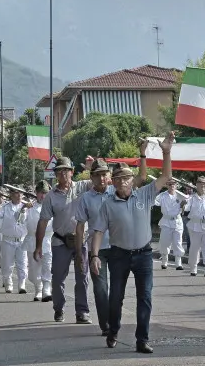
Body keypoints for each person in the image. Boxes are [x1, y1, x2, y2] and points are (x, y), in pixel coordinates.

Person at [89, 132, 175, 353]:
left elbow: (165, 177)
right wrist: (95, 255)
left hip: (144, 255)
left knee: (144, 297)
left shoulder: (144, 195)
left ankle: (142, 339)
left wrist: (166, 151)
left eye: (127, 178)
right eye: (118, 179)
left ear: (132, 180)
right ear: (113, 182)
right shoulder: (107, 204)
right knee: (115, 297)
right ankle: (114, 329)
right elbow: (98, 231)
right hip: (119, 255)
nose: (123, 182)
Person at [35, 155, 97, 323]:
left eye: (66, 170)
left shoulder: (82, 187)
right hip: (60, 241)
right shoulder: (51, 196)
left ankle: (82, 311)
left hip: (80, 241)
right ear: (55, 174)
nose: (63, 174)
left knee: (82, 277)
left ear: (72, 172)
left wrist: (91, 167)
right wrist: (38, 246)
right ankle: (59, 308)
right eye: (59, 171)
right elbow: (43, 222)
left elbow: (99, 182)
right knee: (57, 278)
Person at [74, 159, 118, 335]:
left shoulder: (117, 192)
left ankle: (115, 320)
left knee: (117, 289)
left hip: (118, 248)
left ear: (109, 175)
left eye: (104, 174)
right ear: (91, 177)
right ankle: (106, 325)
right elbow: (79, 226)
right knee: (101, 290)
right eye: (98, 175)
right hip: (96, 251)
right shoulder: (85, 199)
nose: (101, 178)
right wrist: (79, 254)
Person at [0, 185, 30, 293]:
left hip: (22, 240)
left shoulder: (27, 207)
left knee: (22, 263)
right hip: (8, 240)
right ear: (11, 195)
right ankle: (8, 283)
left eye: (20, 193)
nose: (18, 196)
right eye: (15, 193)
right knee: (7, 264)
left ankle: (22, 284)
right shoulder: (5, 207)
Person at [25, 181, 53, 301]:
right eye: (41, 193)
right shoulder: (30, 207)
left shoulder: (52, 206)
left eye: (45, 193)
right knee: (33, 268)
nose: (43, 196)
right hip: (33, 239)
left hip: (48, 239)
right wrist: (23, 209)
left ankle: (46, 289)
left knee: (48, 265)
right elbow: (18, 221)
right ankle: (38, 287)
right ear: (36, 193)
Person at [154, 178, 186, 270]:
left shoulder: (180, 196)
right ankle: (164, 261)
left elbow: (186, 207)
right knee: (165, 242)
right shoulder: (162, 196)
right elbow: (154, 202)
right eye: (169, 184)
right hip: (166, 221)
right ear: (167, 185)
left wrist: (184, 204)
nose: (171, 186)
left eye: (173, 184)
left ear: (176, 186)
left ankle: (178, 263)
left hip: (177, 221)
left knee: (178, 242)